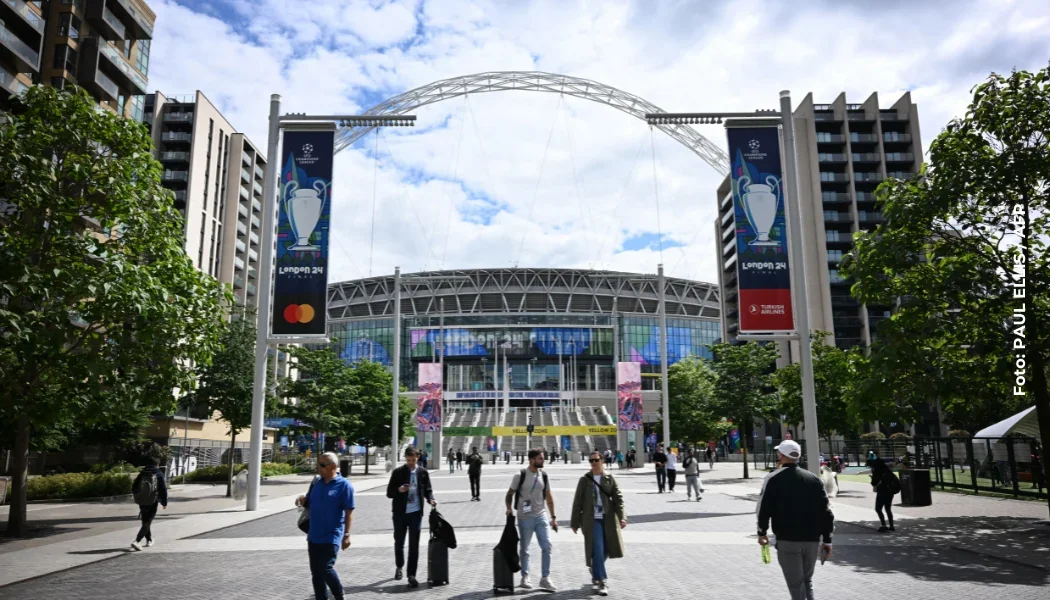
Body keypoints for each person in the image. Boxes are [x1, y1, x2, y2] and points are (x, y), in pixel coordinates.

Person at [757, 440, 835, 600]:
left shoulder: (773, 478)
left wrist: (762, 532)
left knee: (795, 585)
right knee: (807, 581)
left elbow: (763, 508)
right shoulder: (814, 479)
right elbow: (827, 511)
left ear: (781, 455)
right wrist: (827, 540)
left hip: (787, 539)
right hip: (812, 540)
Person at [296, 452, 354, 600]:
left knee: (325, 569)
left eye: (322, 465)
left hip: (332, 534)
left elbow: (349, 512)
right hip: (314, 534)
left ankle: (338, 593)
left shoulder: (344, 485)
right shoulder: (316, 482)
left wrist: (346, 535)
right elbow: (308, 501)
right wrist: (302, 500)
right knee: (316, 573)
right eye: (318, 464)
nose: (318, 468)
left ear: (333, 466)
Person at [571, 451, 626, 597]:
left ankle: (596, 567)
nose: (593, 463)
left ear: (602, 461)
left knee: (608, 547)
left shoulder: (609, 478)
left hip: (607, 518)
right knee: (598, 547)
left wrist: (622, 517)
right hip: (591, 519)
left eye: (596, 460)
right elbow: (578, 501)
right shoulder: (585, 479)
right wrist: (574, 522)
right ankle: (601, 580)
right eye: (591, 461)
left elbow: (618, 498)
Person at [505, 448, 558, 592]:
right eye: (540, 458)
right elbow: (509, 494)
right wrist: (509, 508)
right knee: (525, 549)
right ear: (532, 460)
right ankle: (525, 576)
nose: (543, 460)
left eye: (543, 458)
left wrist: (553, 517)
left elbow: (549, 496)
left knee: (547, 546)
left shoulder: (544, 475)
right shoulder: (520, 475)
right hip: (525, 517)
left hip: (541, 515)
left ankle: (545, 578)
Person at [386, 447, 437, 588]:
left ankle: (411, 575)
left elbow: (428, 490)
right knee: (399, 543)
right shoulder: (398, 472)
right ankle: (399, 566)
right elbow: (389, 493)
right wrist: (399, 489)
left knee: (414, 545)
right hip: (400, 514)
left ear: (418, 458)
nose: (411, 463)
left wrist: (431, 499)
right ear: (405, 458)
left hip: (416, 513)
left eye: (413, 460)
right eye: (408, 460)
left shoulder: (423, 472)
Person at [130, 458, 168, 551]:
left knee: (145, 520)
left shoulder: (143, 472)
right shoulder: (158, 473)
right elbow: (163, 489)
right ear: (157, 465)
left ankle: (149, 539)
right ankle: (137, 541)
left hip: (142, 499)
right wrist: (164, 502)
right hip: (153, 500)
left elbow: (134, 486)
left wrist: (138, 495)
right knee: (148, 521)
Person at [869, 457, 899, 532]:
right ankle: (891, 526)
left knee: (878, 509)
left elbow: (874, 483)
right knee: (888, 509)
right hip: (890, 492)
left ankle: (883, 525)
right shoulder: (888, 470)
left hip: (882, 491)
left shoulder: (877, 471)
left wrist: (872, 478)